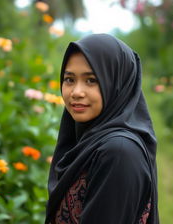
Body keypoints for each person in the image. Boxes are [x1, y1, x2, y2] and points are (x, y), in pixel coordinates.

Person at [45, 33, 159, 224]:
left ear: (117, 84)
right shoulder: (91, 142)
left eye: (91, 80)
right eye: (69, 79)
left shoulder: (119, 153)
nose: (76, 92)